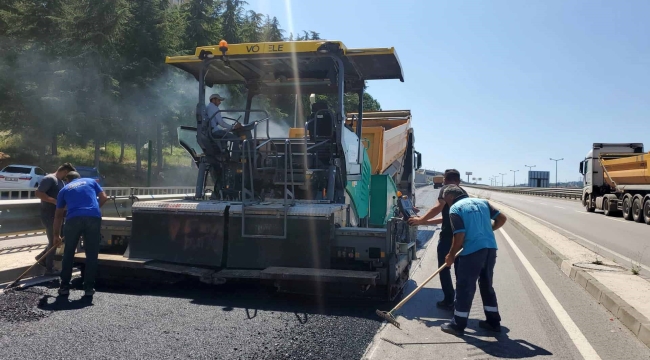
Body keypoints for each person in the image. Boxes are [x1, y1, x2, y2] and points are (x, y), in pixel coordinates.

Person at [439, 185, 508, 336]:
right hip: (490, 248)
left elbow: (459, 235)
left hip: (472, 252)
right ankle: (493, 322)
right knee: (486, 284)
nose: (446, 203)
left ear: (449, 197)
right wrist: (487, 231)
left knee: (465, 287)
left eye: (445, 200)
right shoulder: (483, 202)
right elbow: (502, 218)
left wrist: (451, 255)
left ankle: (458, 325)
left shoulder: (455, 209)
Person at [408, 169, 466, 310]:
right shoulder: (463, 193)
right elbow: (446, 218)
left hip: (448, 237)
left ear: (445, 180)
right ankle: (460, 302)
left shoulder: (446, 189)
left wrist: (421, 218)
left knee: (444, 268)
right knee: (460, 271)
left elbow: (438, 207)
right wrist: (423, 222)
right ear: (459, 181)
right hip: (463, 237)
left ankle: (448, 300)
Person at [53, 171, 108, 297]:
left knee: (69, 253)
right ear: (79, 178)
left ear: (67, 180)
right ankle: (89, 288)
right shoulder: (90, 181)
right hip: (93, 218)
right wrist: (93, 209)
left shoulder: (64, 190)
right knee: (92, 253)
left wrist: (56, 235)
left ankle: (65, 286)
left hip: (73, 219)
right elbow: (105, 197)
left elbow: (58, 216)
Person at [34, 163, 76, 274]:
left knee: (59, 240)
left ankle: (42, 258)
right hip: (49, 215)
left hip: (58, 216)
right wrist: (54, 201)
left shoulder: (60, 181)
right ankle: (49, 269)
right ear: (65, 171)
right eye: (68, 175)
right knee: (53, 241)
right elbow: (38, 193)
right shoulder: (49, 179)